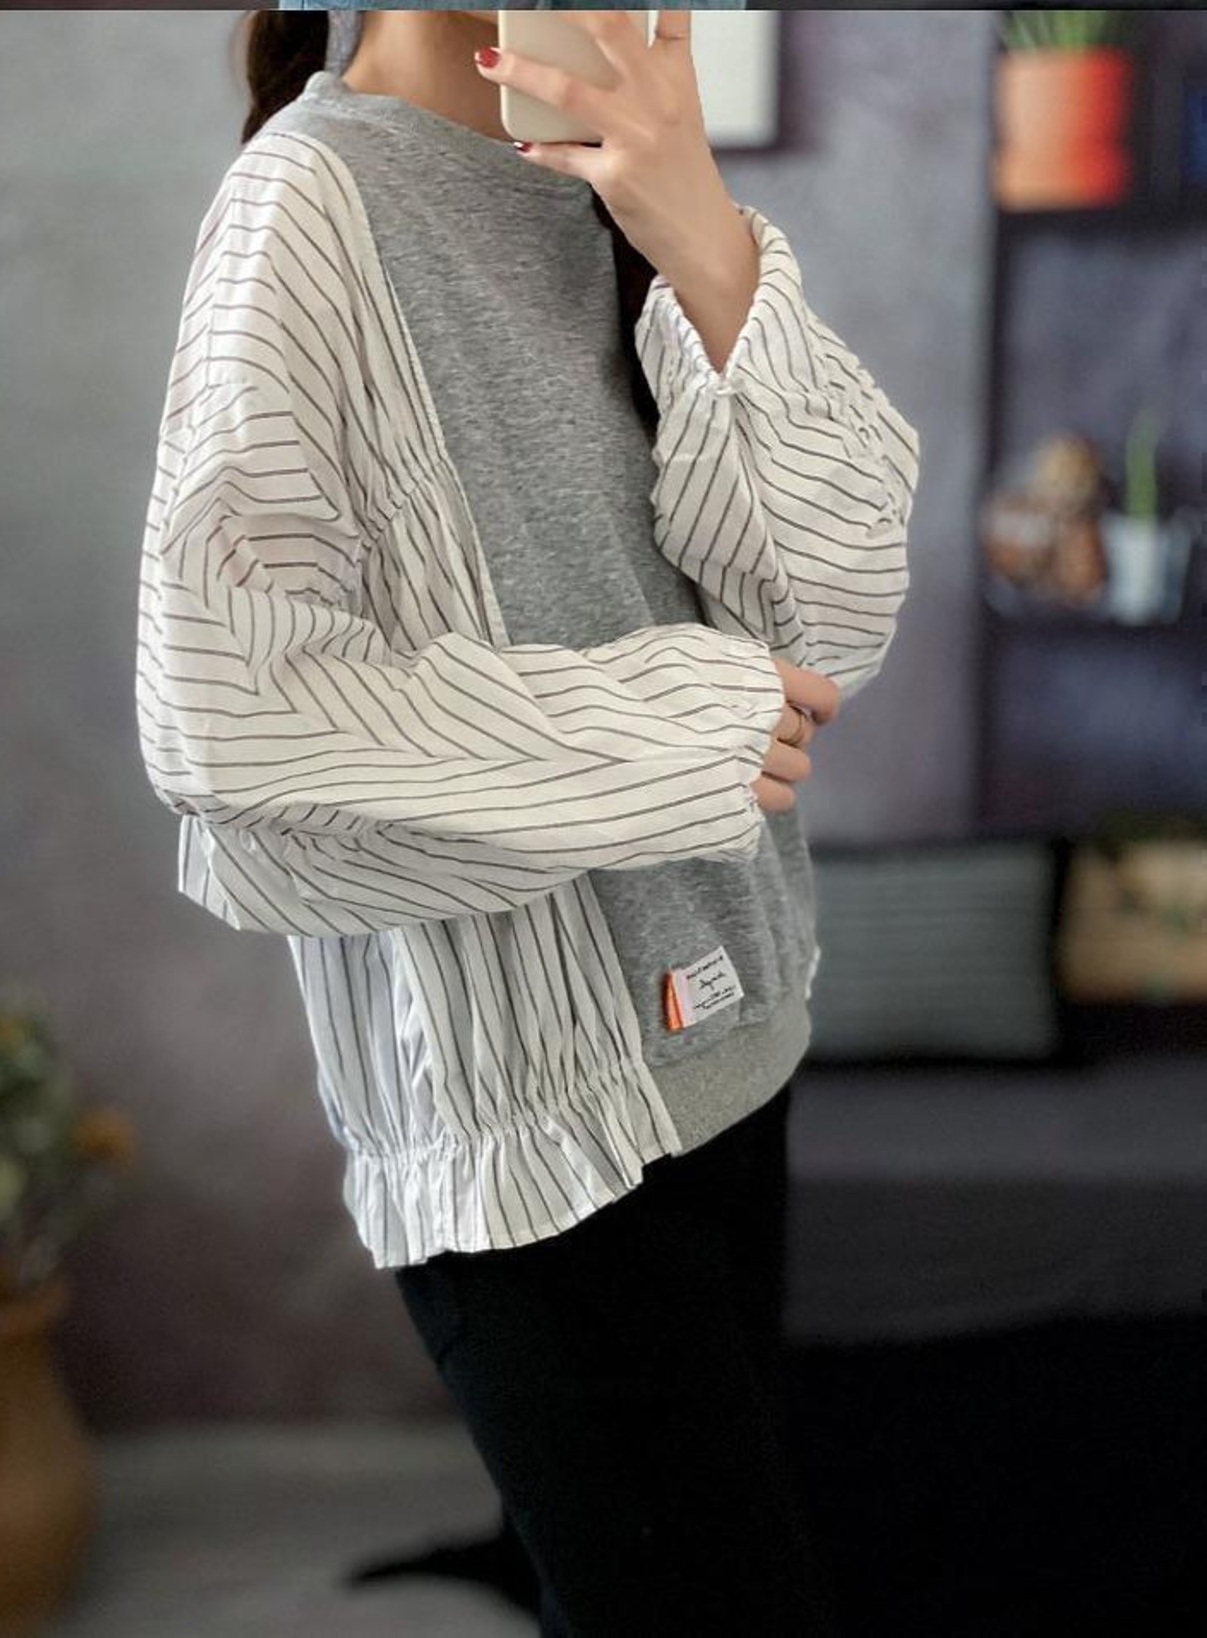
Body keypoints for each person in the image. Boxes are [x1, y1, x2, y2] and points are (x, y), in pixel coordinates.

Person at [136, 9, 920, 1633]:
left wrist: (698, 221)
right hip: (538, 1127)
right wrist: (682, 724)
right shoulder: (310, 202)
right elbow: (230, 713)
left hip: (738, 1051)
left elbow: (834, 614)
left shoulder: (616, 182)